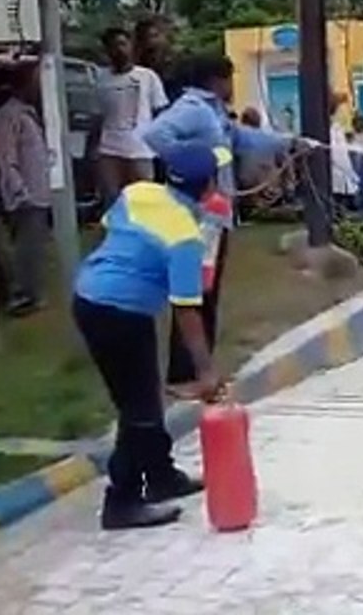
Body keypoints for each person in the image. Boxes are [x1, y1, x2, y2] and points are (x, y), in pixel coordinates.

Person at [73, 141, 228, 529]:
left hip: (92, 296)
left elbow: (111, 227)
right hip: (117, 313)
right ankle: (121, 502)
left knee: (144, 395)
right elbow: (187, 311)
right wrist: (206, 372)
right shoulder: (185, 238)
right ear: (207, 187)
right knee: (138, 408)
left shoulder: (137, 193)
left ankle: (160, 477)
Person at [136, 53, 302, 395]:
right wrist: (192, 162)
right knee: (192, 294)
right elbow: (155, 135)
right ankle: (183, 375)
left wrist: (291, 143)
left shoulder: (214, 113)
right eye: (229, 78)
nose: (232, 85)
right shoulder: (194, 107)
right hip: (198, 217)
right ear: (216, 80)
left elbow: (243, 138)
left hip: (216, 214)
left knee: (206, 293)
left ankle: (200, 370)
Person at [0, 61, 51, 317]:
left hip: (38, 191)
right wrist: (19, 191)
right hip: (25, 195)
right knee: (25, 247)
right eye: (36, 80)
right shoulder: (8, 115)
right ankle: (24, 296)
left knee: (34, 246)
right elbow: (6, 157)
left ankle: (31, 293)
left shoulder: (30, 112)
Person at [96, 27, 168, 202]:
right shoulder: (101, 79)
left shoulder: (147, 77)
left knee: (144, 200)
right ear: (107, 51)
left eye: (123, 44)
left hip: (140, 150)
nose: (119, 49)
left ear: (131, 46)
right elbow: (97, 115)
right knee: (114, 200)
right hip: (109, 149)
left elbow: (160, 111)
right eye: (113, 46)